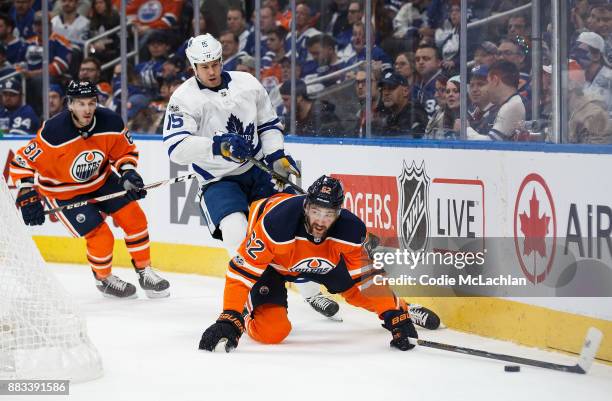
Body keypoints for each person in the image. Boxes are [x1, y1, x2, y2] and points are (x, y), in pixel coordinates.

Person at [163, 34, 340, 318]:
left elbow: (269, 125)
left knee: (290, 228)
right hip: (218, 180)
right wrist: (217, 146)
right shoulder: (183, 99)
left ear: (222, 60)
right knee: (236, 233)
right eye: (203, 66)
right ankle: (252, 295)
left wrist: (276, 156)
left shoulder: (248, 84)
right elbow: (176, 149)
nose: (210, 71)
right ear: (192, 66)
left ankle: (310, 291)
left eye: (214, 64)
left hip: (257, 171)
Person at [198, 176, 439, 352]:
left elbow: (367, 277)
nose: (321, 222)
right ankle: (246, 314)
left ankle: (403, 308)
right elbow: (241, 272)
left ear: (339, 212)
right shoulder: (275, 223)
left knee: (359, 294)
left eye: (328, 214)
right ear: (305, 206)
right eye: (315, 212)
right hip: (272, 265)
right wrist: (229, 316)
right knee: (272, 332)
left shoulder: (350, 230)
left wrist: (393, 314)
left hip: (320, 260)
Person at [9, 80, 170, 298]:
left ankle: (145, 271)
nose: (87, 109)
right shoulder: (53, 132)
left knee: (135, 218)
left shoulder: (110, 121)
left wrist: (129, 173)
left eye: (91, 103)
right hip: (62, 191)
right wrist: (27, 191)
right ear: (70, 105)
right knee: (101, 236)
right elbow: (20, 162)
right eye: (81, 104)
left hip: (101, 180)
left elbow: (124, 152)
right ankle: (103, 279)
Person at [374, 71, 428, 137]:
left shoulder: (415, 113)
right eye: (384, 89)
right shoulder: (390, 114)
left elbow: (405, 140)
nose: (386, 93)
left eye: (391, 88)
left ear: (405, 91)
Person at [484, 60, 525, 141]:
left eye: (487, 82)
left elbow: (492, 143)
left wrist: (465, 129)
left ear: (495, 80)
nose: (487, 89)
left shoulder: (513, 106)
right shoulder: (509, 104)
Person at [412, 44, 443, 118]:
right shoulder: (416, 86)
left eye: (426, 58)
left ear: (438, 62)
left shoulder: (446, 84)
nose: (420, 62)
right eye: (417, 59)